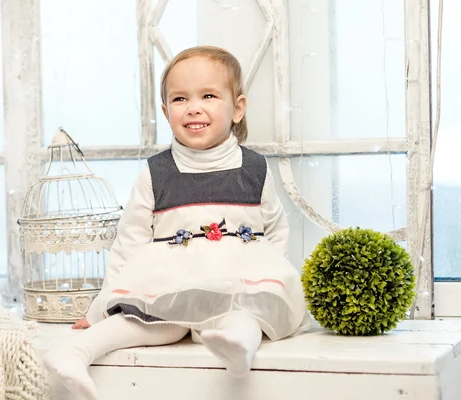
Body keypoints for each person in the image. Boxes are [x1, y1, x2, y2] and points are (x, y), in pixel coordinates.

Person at [43, 45, 310, 400]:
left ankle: (238, 349)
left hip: (235, 280)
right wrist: (100, 307)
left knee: (244, 315)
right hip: (170, 281)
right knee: (148, 325)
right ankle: (75, 352)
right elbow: (129, 240)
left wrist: (266, 279)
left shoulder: (255, 168)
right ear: (167, 111)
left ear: (238, 109)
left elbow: (275, 228)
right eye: (180, 99)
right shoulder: (157, 173)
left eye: (209, 96)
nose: (194, 107)